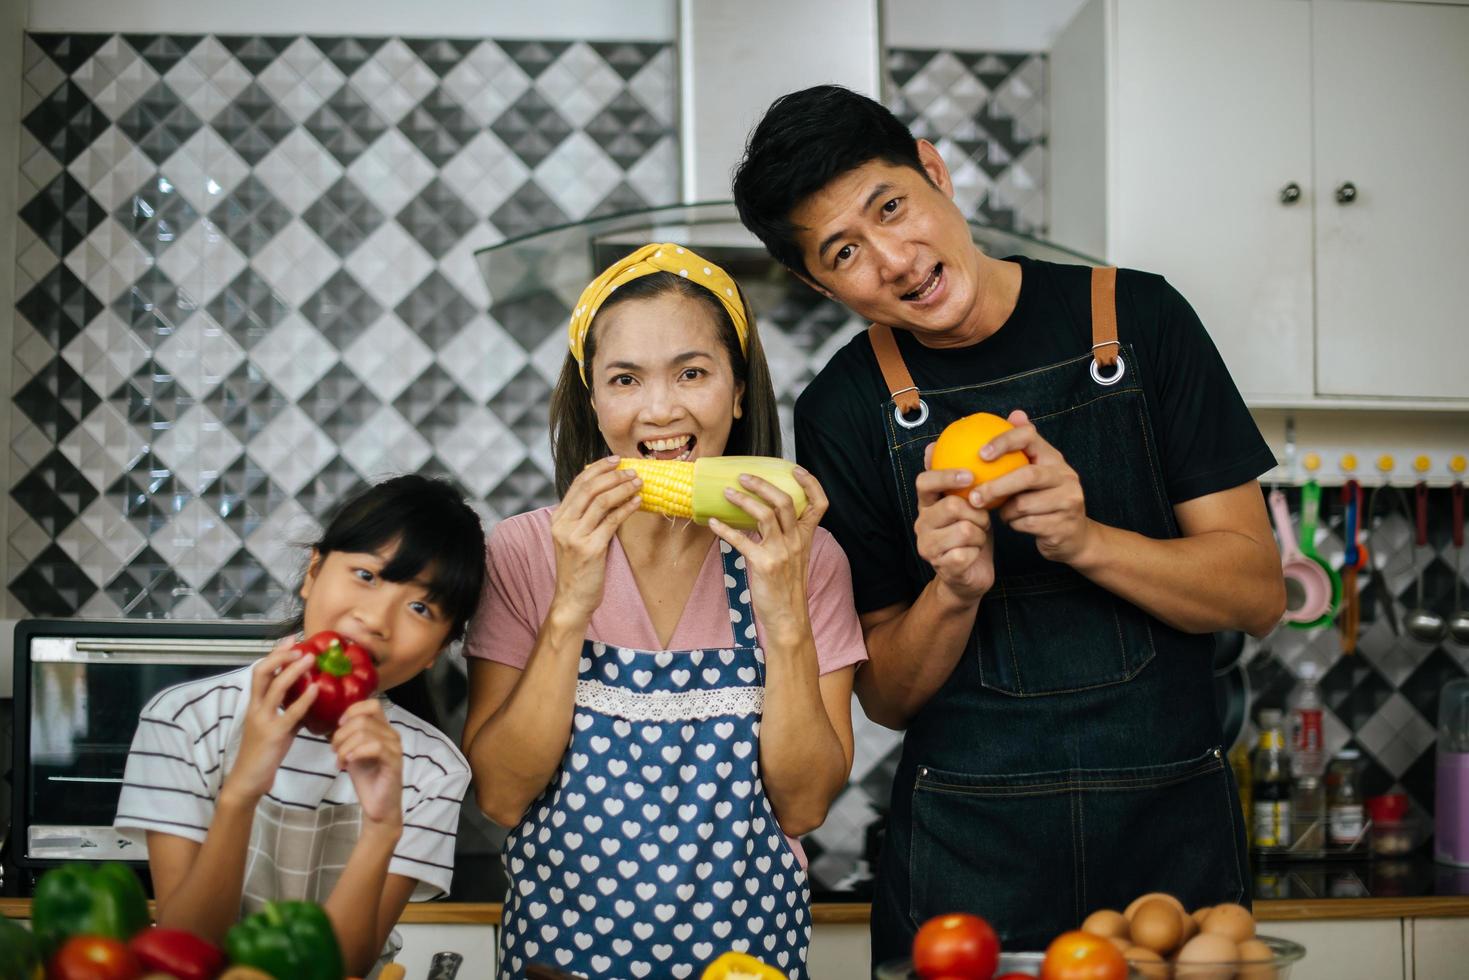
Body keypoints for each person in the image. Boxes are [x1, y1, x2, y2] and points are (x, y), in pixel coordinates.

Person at [732, 86, 1286, 958]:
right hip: (969, 859)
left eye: (892, 207)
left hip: (1170, 840)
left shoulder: (1138, 321)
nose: (894, 259)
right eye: (845, 251)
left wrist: (1086, 540)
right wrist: (952, 591)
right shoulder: (843, 407)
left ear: (934, 171)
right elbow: (885, 696)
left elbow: (1256, 593)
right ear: (815, 282)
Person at [461, 243, 867, 979]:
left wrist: (782, 611)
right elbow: (500, 794)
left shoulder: (808, 557)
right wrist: (570, 606)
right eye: (625, 379)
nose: (660, 410)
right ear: (593, 400)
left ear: (739, 392)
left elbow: (803, 807)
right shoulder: (524, 551)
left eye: (692, 373)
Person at [115, 475, 485, 977]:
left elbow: (348, 965)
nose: (377, 618)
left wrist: (381, 827)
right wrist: (241, 789)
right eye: (367, 576)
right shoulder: (183, 720)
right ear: (313, 571)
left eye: (421, 607)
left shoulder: (433, 771)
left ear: (437, 652)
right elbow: (186, 947)